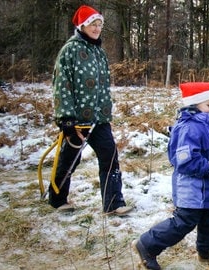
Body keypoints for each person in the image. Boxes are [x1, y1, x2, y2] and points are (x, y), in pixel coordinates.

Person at [132, 82, 209, 270]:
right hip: (192, 189)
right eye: (208, 105)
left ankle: (208, 250)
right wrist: (208, 169)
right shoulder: (189, 128)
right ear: (194, 104)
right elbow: (185, 160)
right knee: (184, 222)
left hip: (208, 188)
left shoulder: (204, 125)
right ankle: (147, 245)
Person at [49, 5, 132, 216]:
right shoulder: (70, 50)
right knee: (69, 159)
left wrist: (106, 110)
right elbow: (61, 86)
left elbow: (102, 87)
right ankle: (57, 199)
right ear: (82, 25)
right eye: (92, 24)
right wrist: (66, 118)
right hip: (77, 120)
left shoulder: (100, 53)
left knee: (110, 156)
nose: (96, 28)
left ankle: (113, 203)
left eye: (99, 24)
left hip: (99, 119)